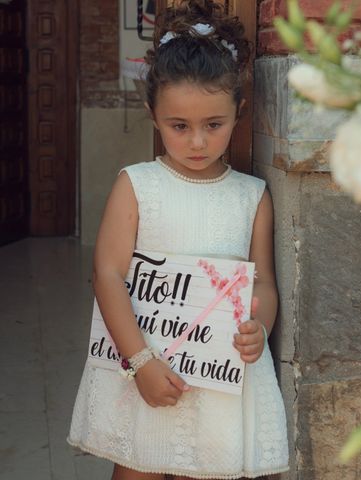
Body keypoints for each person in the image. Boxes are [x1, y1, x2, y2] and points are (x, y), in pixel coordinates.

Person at [67, 1, 289, 478]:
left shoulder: (251, 197)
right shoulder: (137, 184)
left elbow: (263, 281)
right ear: (153, 114)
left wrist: (261, 326)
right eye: (179, 126)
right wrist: (141, 361)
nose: (197, 142)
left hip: (217, 374)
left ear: (238, 112)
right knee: (138, 464)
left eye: (214, 125)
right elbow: (107, 273)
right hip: (144, 359)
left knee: (207, 465)